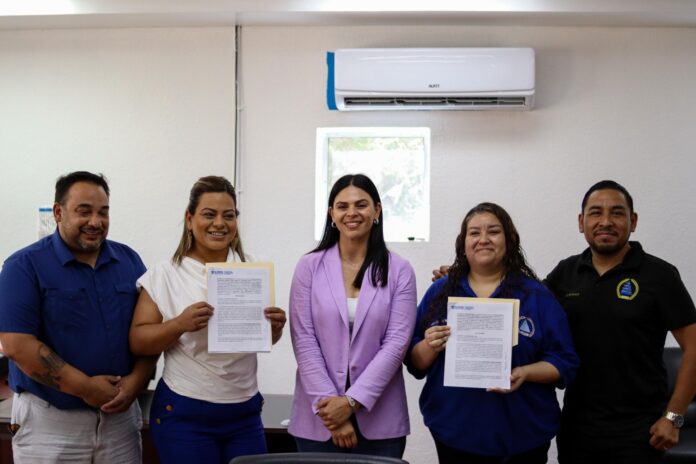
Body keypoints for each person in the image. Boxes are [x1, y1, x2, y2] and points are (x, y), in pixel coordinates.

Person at [128, 175, 286, 464]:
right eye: (209, 214)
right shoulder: (165, 274)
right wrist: (179, 324)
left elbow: (262, 338)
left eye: (229, 215)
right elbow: (138, 341)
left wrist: (274, 329)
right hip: (186, 411)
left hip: (244, 411)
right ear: (190, 219)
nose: (219, 223)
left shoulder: (252, 268)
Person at [0, 171, 153, 463]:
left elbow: (150, 330)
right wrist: (86, 388)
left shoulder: (129, 261)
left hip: (120, 423)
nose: (95, 222)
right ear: (58, 212)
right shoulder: (24, 265)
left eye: (103, 212)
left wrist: (137, 381)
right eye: (84, 211)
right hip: (50, 425)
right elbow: (17, 344)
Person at [410, 202, 578, 464]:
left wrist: (526, 372)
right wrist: (429, 345)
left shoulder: (536, 295)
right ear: (463, 243)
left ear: (509, 240)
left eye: (494, 231)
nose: (483, 239)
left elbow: (565, 361)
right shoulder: (440, 292)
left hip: (523, 437)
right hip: (455, 434)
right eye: (474, 233)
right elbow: (414, 362)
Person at [545, 180, 696, 464]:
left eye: (616, 213)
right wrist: (468, 283)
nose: (605, 221)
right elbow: (523, 310)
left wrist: (673, 417)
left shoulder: (660, 275)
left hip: (640, 432)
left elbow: (694, 348)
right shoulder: (566, 272)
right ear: (581, 222)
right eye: (595, 213)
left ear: (633, 221)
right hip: (577, 428)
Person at [288, 173, 417, 458]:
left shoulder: (400, 270)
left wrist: (351, 402)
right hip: (319, 417)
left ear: (377, 211)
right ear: (331, 214)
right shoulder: (309, 267)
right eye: (342, 206)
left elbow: (396, 344)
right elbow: (304, 340)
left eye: (361, 205)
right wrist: (332, 410)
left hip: (380, 417)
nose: (352, 213)